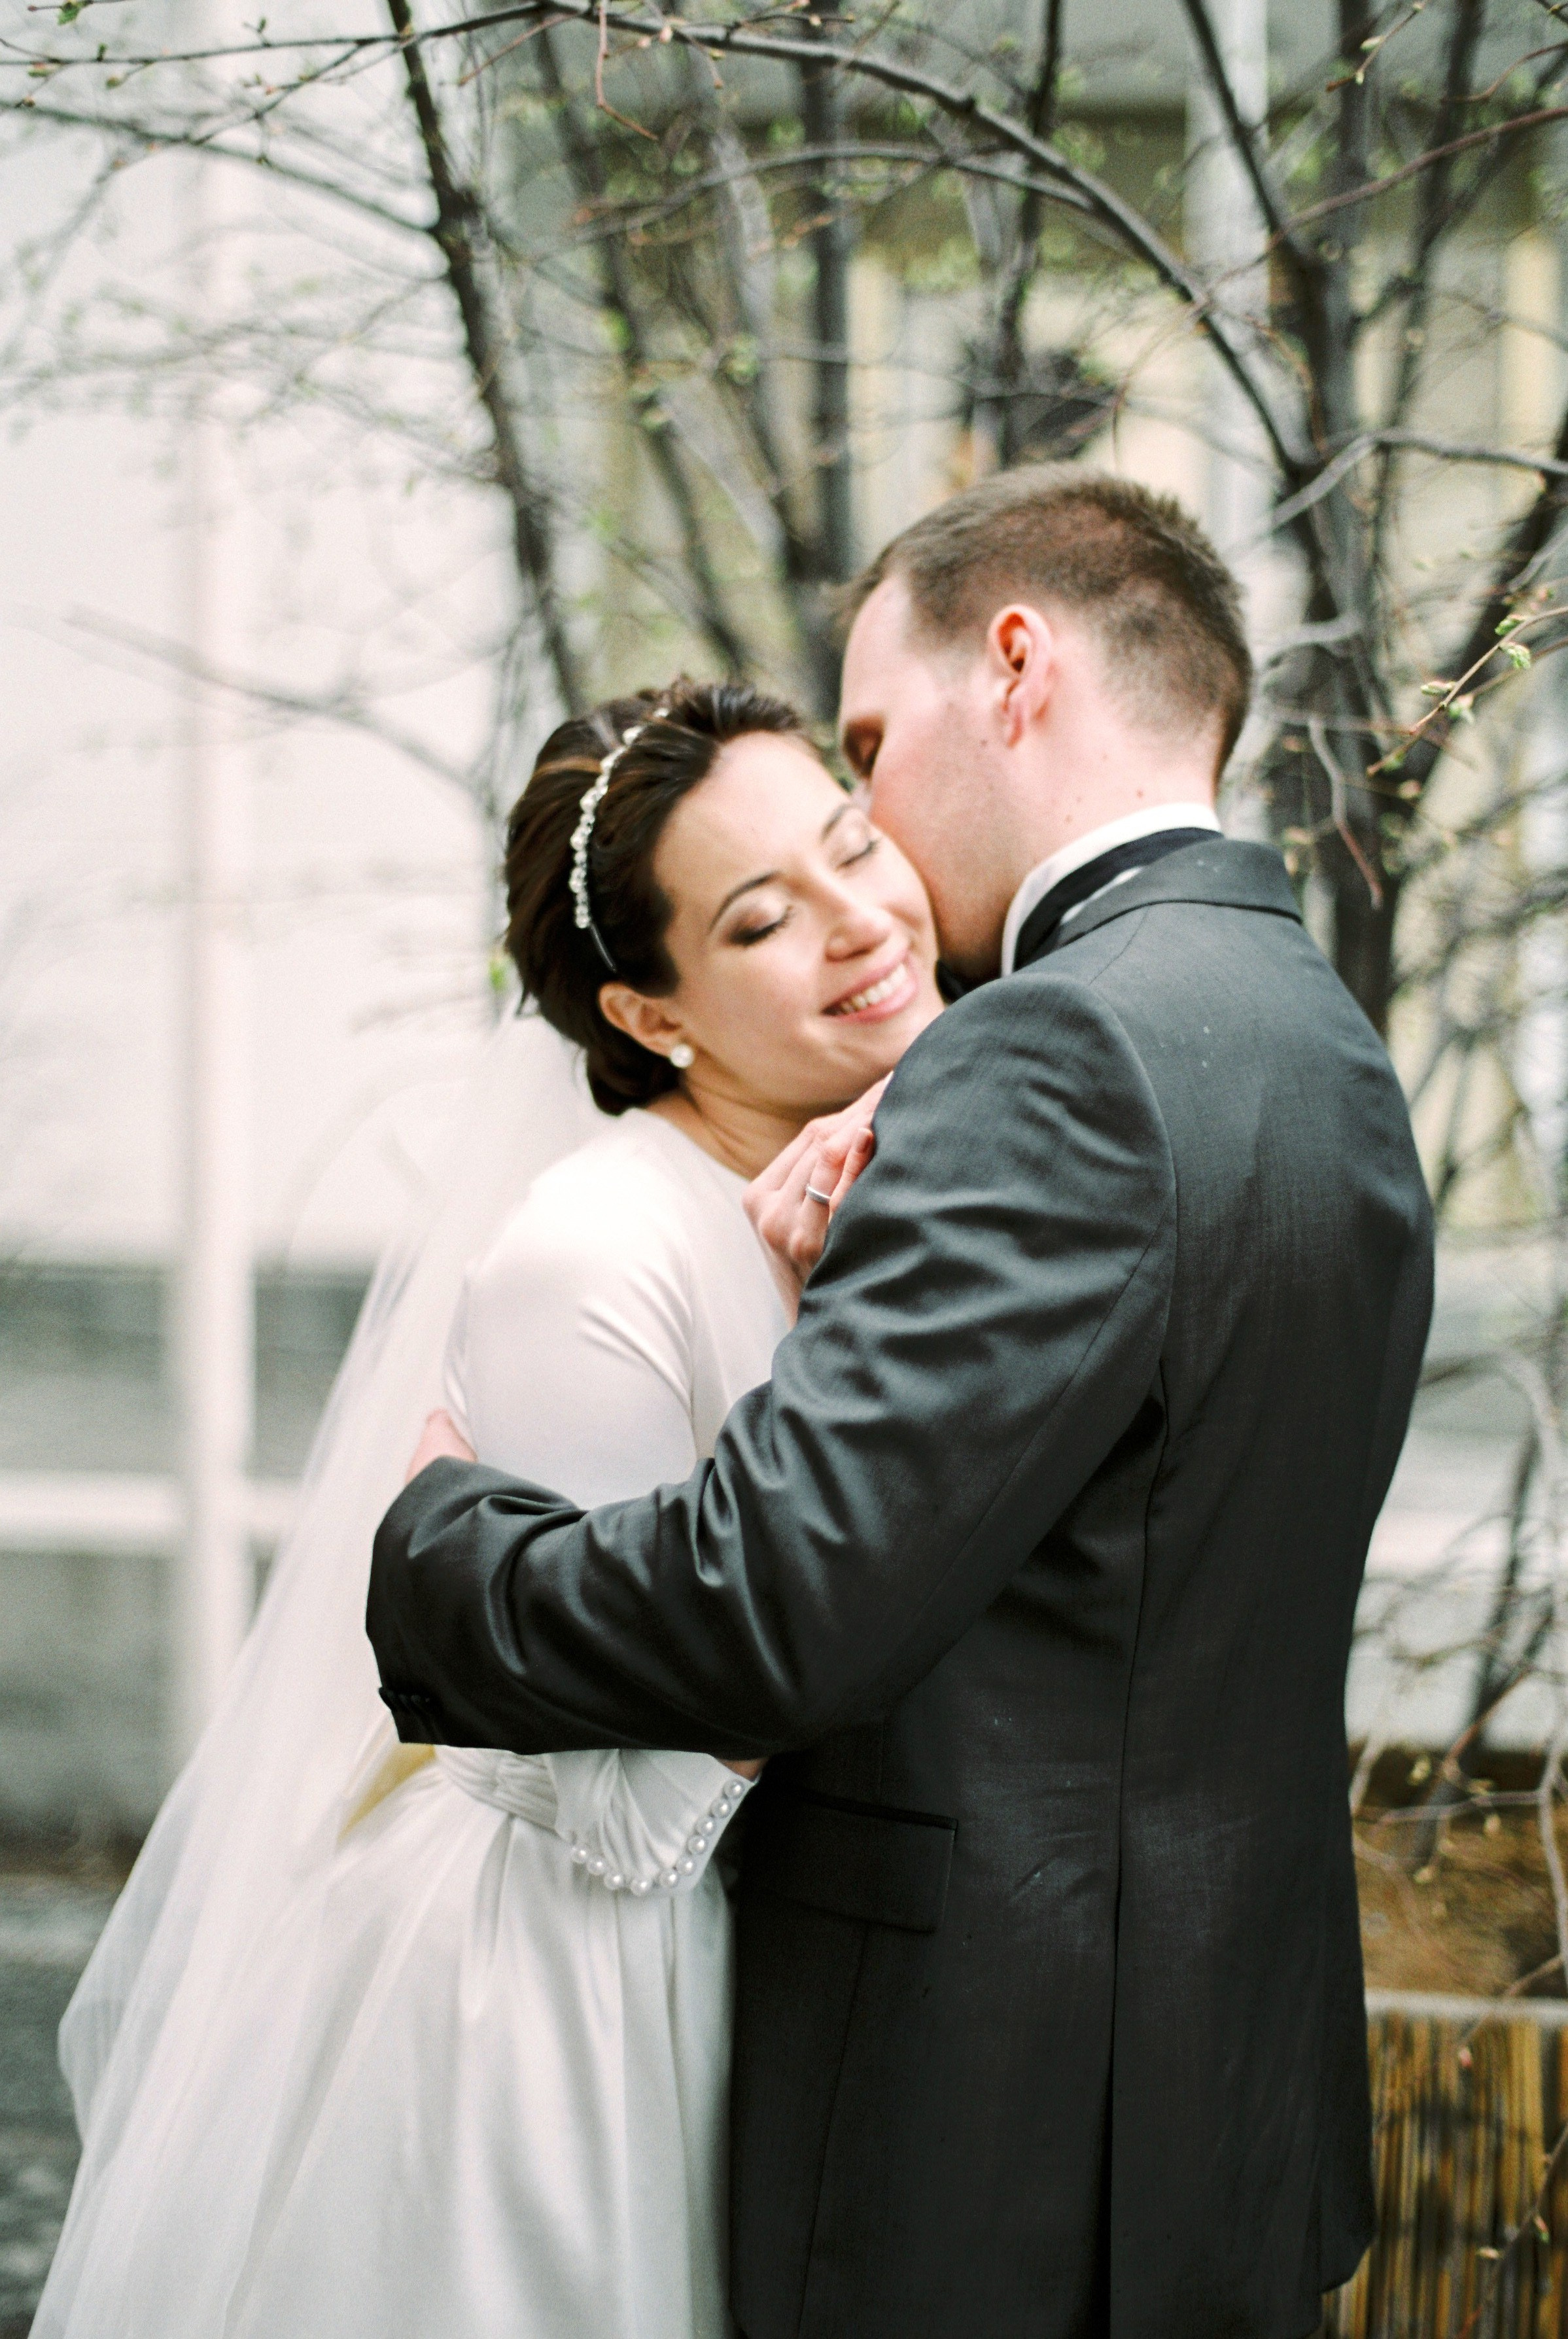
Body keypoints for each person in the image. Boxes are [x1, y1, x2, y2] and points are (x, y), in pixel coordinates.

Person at [369, 466, 1436, 2339]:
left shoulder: (1051, 1043)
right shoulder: (1309, 1027)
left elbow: (777, 1609)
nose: (872, 835)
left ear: (1011, 667)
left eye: (867, 750)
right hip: (1218, 2103)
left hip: (988, 2129)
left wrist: (442, 1556)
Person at [35, 678, 943, 2339]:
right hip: (562, 2016)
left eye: (851, 847)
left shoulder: (875, 1175)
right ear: (653, 1016)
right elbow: (615, 1820)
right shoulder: (595, 1258)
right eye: (759, 922)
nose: (858, 924)